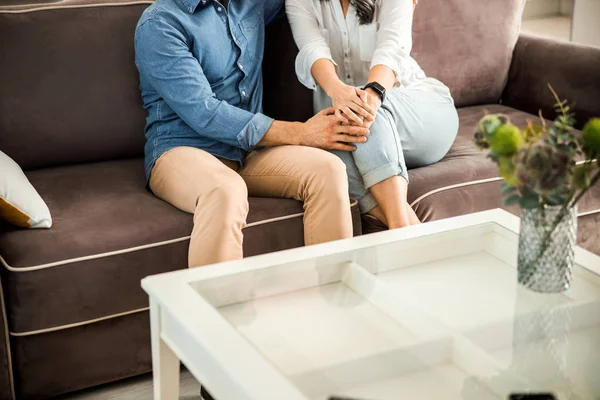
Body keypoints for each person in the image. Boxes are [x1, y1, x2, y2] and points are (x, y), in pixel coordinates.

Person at [134, 0, 370, 268]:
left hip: (247, 152)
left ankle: (332, 298)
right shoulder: (160, 23)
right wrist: (302, 133)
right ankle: (217, 308)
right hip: (182, 150)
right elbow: (206, 114)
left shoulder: (253, 4)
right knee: (225, 190)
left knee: (328, 169)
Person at [286, 0, 459, 228]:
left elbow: (392, 47)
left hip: (422, 113)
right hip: (350, 126)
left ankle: (399, 226)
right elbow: (311, 49)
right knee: (328, 158)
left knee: (364, 113)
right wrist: (338, 92)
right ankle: (414, 233)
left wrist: (371, 95)